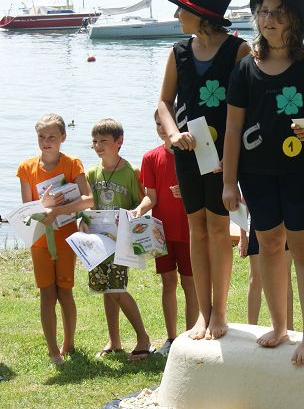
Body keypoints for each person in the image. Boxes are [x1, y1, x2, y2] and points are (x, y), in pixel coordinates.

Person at [223, 0, 304, 364]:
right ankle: (280, 325)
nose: (268, 20)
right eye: (263, 12)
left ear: (295, 22)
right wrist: (229, 181)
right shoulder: (245, 66)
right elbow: (233, 128)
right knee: (268, 245)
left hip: (301, 174)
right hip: (256, 175)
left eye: (279, 14)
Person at [157, 0, 251, 341]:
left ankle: (221, 313)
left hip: (224, 155)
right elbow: (165, 102)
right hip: (187, 151)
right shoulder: (178, 52)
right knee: (196, 227)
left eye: (182, 10)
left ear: (203, 15)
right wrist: (172, 133)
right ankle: (202, 314)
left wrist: (236, 154)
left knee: (218, 228)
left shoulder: (238, 51)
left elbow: (247, 108)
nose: (178, 16)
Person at [17, 114, 93, 365]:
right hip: (40, 240)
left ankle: (68, 344)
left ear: (63, 137)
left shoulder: (73, 164)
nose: (46, 142)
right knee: (47, 294)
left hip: (66, 236)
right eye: (41, 137)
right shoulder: (26, 168)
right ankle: (53, 350)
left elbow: (88, 199)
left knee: (66, 292)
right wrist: (43, 207)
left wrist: (57, 210)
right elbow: (26, 209)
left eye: (51, 137)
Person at [132, 111, 199, 356]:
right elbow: (151, 197)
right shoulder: (150, 158)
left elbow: (206, 190)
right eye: (158, 124)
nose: (161, 128)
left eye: (166, 124)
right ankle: (172, 339)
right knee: (168, 282)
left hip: (189, 230)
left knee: (190, 284)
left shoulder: (194, 155)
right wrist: (139, 210)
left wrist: (189, 190)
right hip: (161, 232)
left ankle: (192, 335)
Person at [88, 118, 154, 360]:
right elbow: (90, 205)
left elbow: (143, 201)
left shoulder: (130, 171)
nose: (98, 146)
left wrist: (136, 212)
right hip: (98, 241)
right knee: (107, 289)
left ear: (119, 142)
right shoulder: (92, 173)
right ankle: (114, 340)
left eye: (103, 141)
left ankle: (143, 337)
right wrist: (82, 221)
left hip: (122, 241)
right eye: (94, 141)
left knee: (117, 288)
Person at [238, 221, 294, 329]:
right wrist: (243, 236)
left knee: (285, 277)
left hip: (284, 223)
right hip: (260, 222)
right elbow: (243, 205)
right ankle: (251, 328)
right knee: (255, 279)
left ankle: (289, 329)